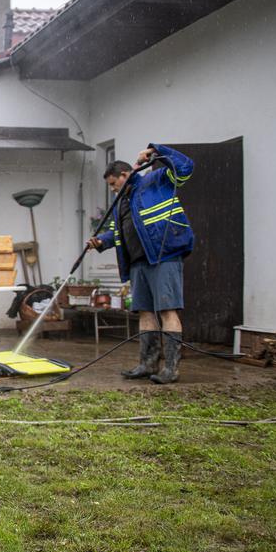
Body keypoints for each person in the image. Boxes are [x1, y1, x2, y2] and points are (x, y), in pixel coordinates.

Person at [87, 144, 194, 384]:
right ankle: (147, 364)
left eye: (114, 184)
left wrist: (157, 151)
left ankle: (171, 369)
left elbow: (186, 167)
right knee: (145, 312)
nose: (113, 189)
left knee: (167, 309)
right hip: (137, 262)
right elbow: (119, 232)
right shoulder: (122, 203)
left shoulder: (155, 181)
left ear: (125, 175)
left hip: (163, 256)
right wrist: (100, 241)